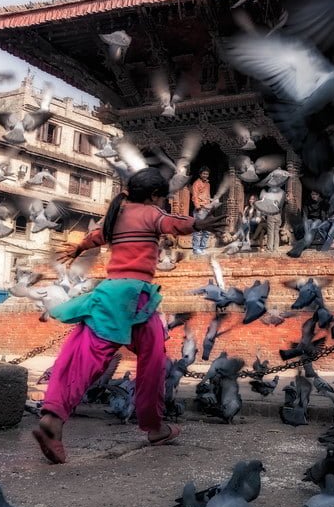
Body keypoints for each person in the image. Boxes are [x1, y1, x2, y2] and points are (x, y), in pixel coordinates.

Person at [32, 168, 225, 464]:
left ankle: (54, 417)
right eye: (162, 198)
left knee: (81, 356)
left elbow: (97, 237)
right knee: (153, 364)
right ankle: (153, 426)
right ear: (154, 196)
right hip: (136, 299)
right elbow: (171, 223)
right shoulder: (150, 212)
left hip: (110, 295)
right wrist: (199, 223)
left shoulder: (117, 215)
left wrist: (78, 247)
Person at [190, 167, 212, 255]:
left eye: (207, 174)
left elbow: (207, 195)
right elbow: (195, 196)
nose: (205, 175)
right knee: (198, 230)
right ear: (200, 174)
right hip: (200, 209)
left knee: (207, 230)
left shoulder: (208, 184)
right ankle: (196, 249)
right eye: (204, 174)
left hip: (207, 209)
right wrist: (198, 207)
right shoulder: (196, 183)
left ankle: (202, 248)